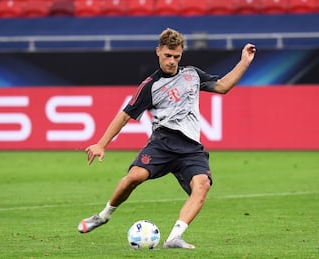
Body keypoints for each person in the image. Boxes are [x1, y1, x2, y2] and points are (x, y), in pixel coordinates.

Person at [77, 28, 256, 249]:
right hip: (162, 143)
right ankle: (103, 216)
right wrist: (101, 144)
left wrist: (244, 62)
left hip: (191, 148)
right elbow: (124, 115)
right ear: (158, 52)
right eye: (167, 56)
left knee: (202, 185)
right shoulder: (150, 86)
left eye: (176, 56)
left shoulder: (192, 74)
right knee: (134, 178)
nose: (172, 61)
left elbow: (223, 86)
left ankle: (174, 238)